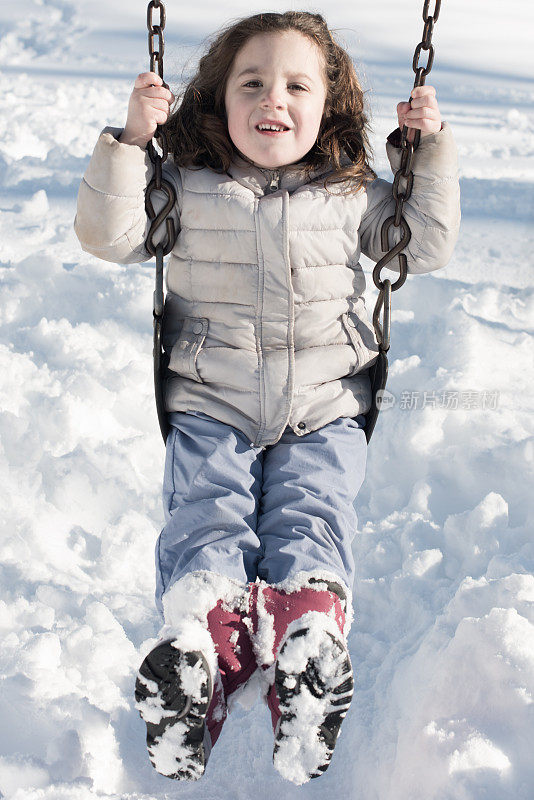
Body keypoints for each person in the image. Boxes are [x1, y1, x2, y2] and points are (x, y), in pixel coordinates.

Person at [74, 10, 460, 786]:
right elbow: (108, 236)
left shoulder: (351, 192)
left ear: (329, 107)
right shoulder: (184, 186)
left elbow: (425, 243)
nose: (271, 99)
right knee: (207, 509)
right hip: (210, 400)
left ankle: (306, 639)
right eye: (251, 83)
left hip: (323, 405)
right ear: (218, 101)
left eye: (295, 84)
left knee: (311, 509)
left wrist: (428, 150)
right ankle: (201, 652)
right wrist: (129, 143)